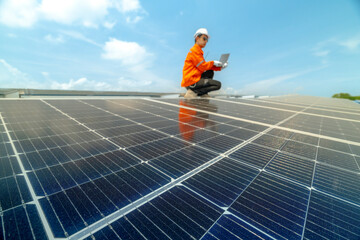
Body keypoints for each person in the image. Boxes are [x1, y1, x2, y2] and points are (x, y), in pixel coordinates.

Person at [181, 28, 228, 98]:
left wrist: (220, 67)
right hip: (191, 82)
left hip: (194, 79)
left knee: (209, 72)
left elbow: (206, 67)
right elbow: (203, 66)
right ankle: (193, 92)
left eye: (207, 40)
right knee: (218, 85)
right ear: (197, 38)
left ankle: (202, 93)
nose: (206, 41)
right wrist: (213, 62)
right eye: (204, 38)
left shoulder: (198, 51)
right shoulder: (194, 51)